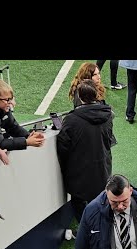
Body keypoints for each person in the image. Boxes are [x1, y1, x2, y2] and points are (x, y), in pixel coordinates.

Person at [57, 80, 114, 224]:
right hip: (102, 168)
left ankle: (87, 232)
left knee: (80, 205)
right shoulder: (107, 115)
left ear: (80, 97)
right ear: (96, 94)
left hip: (79, 171)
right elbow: (109, 140)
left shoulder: (71, 119)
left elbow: (63, 147)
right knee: (101, 203)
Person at [0, 77, 45, 151]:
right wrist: (26, 142)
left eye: (11, 98)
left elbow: (13, 127)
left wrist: (28, 135)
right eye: (7, 100)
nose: (11, 103)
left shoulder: (3, 107)